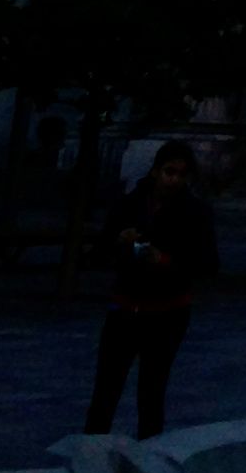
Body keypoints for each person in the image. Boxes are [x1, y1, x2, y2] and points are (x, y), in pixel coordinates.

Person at [84, 140, 217, 440]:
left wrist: (166, 261)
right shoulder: (129, 204)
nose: (175, 180)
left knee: (152, 391)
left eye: (182, 174)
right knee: (106, 389)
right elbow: (99, 252)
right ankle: (93, 449)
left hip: (167, 311)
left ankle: (148, 452)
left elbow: (208, 263)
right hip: (125, 306)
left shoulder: (195, 212)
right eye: (170, 172)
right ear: (156, 170)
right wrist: (119, 242)